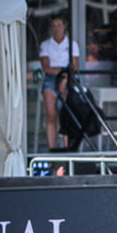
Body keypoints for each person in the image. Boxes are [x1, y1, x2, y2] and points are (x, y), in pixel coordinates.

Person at [38, 16, 81, 150]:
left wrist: (64, 77)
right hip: (51, 78)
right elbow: (45, 67)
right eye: (54, 26)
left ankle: (67, 147)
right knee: (51, 114)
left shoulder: (72, 44)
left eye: (59, 25)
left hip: (68, 78)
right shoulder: (45, 45)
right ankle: (52, 148)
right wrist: (59, 72)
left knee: (66, 112)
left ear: (64, 26)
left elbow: (74, 67)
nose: (56, 29)